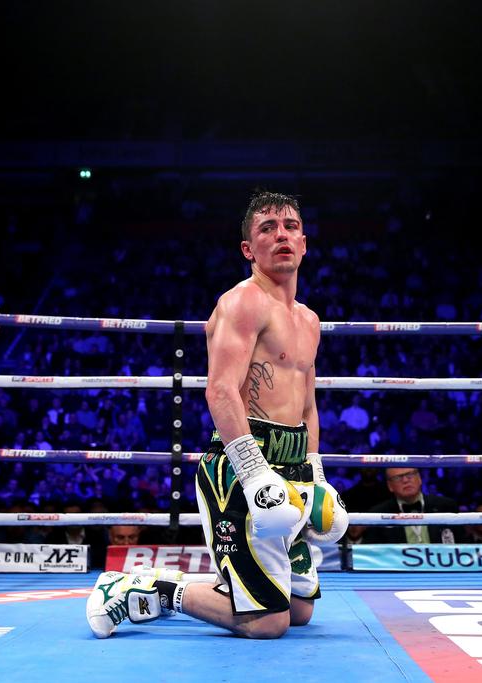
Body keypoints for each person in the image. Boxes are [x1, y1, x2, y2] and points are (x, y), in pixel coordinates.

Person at [86, 191, 348, 639]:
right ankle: (141, 586)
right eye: (267, 228)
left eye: (290, 227)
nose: (281, 235)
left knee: (300, 610)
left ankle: (226, 588)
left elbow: (308, 404)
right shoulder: (242, 302)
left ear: (304, 243)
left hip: (294, 468)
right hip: (241, 467)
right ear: (248, 248)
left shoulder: (309, 320)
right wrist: (254, 472)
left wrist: (317, 475)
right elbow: (221, 390)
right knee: (268, 623)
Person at [364, 467, 459, 544]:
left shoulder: (446, 506)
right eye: (398, 477)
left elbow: (462, 545)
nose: (405, 480)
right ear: (390, 486)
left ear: (419, 478)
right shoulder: (378, 514)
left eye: (410, 474)